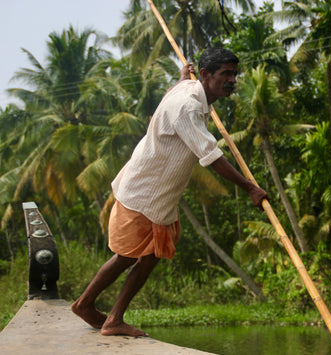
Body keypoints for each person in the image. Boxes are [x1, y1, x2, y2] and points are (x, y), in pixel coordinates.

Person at [71, 48, 268, 337]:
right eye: (225, 74)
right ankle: (85, 304)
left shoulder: (188, 88)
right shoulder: (188, 106)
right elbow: (211, 157)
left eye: (234, 74)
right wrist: (250, 188)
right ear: (205, 75)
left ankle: (113, 319)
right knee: (126, 256)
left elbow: (177, 89)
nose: (232, 80)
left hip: (159, 198)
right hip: (143, 192)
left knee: (150, 256)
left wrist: (180, 78)